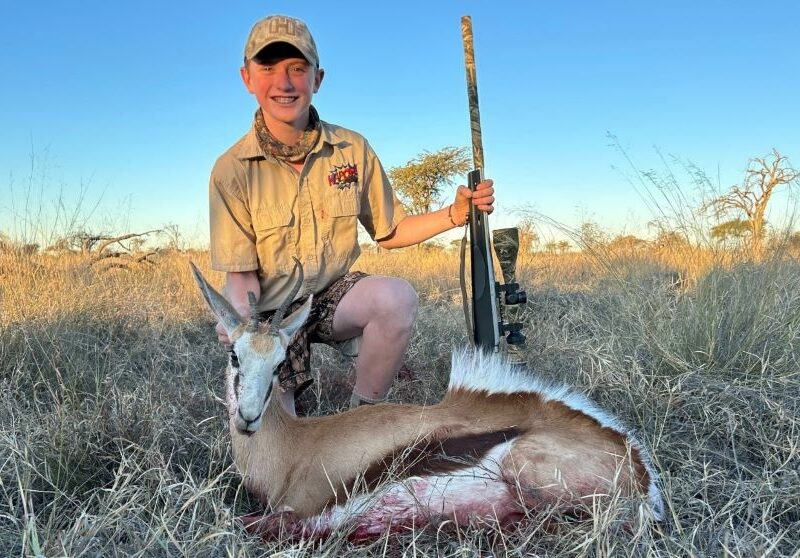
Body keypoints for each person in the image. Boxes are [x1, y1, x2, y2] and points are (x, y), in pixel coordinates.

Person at [209, 14, 495, 414]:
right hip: (272, 318)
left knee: (396, 298)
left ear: (317, 79)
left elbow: (391, 230)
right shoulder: (231, 169)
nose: (284, 82)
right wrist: (240, 325)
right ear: (247, 78)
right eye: (268, 67)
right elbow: (240, 277)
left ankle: (361, 419)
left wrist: (455, 213)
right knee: (265, 439)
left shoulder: (351, 149)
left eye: (297, 68)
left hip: (331, 298)